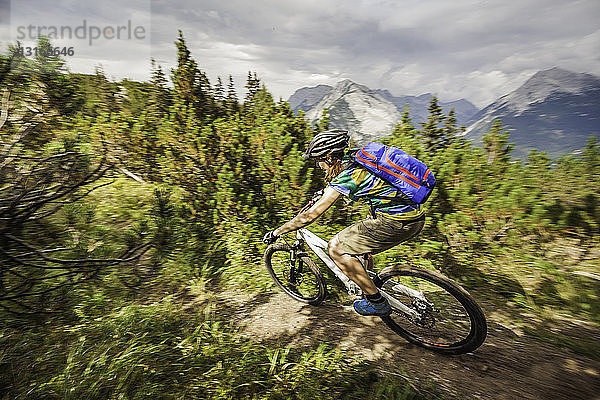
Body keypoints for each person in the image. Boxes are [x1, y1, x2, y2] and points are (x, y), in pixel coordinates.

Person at [263, 129, 426, 316]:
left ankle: (376, 301)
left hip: (396, 222)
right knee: (359, 237)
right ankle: (366, 284)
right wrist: (325, 192)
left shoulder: (347, 175)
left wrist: (278, 231)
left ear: (330, 156)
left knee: (336, 248)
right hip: (414, 216)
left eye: (319, 159)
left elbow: (310, 216)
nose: (318, 164)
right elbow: (347, 184)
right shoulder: (357, 156)